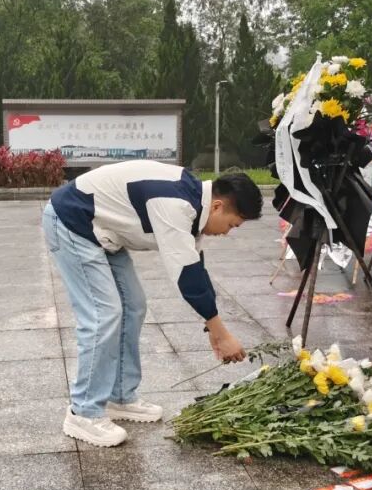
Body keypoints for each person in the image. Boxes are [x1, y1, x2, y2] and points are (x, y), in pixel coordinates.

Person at [42, 163, 263, 447]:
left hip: (103, 230)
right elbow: (186, 276)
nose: (227, 232)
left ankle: (120, 397)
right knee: (104, 314)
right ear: (218, 206)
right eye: (232, 225)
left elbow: (197, 270)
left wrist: (214, 329)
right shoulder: (175, 204)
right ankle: (83, 411)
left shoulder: (194, 203)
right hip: (73, 222)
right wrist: (222, 334)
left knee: (133, 306)